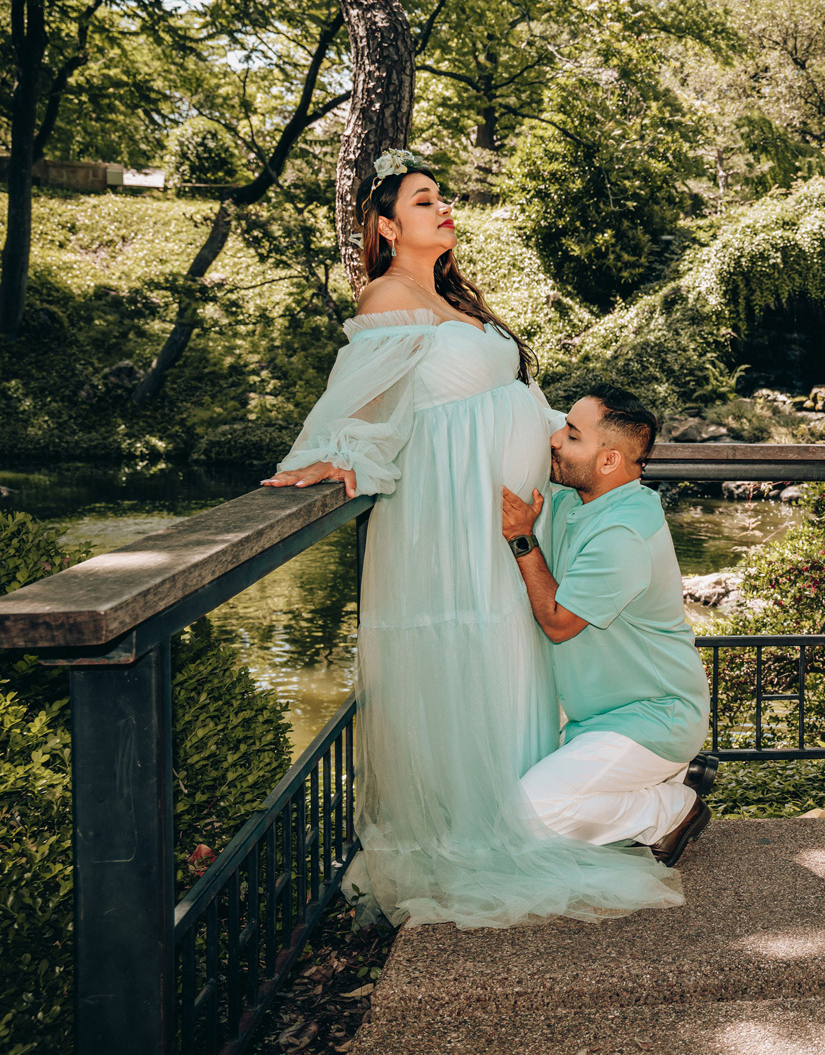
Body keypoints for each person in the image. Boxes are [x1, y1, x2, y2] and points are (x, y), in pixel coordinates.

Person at [262, 148, 681, 928]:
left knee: (506, 656)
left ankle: (518, 810)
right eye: (424, 201)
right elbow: (362, 400)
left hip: (502, 525)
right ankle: (467, 831)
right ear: (386, 227)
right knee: (458, 657)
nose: (443, 206)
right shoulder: (389, 293)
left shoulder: (452, 298)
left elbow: (507, 399)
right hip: (449, 521)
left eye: (442, 197)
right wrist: (328, 456)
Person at [501, 388, 713, 866]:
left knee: (529, 817)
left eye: (572, 434)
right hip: (600, 718)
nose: (554, 440)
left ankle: (670, 807)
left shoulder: (622, 535)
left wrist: (520, 537)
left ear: (609, 460)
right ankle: (672, 778)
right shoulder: (587, 496)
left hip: (653, 717)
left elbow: (558, 624)